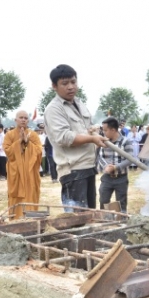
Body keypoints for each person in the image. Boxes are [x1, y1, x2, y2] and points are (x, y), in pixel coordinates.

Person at [44, 64, 106, 208]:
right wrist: (92, 139)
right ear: (54, 86)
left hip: (88, 166)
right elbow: (64, 137)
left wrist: (93, 131)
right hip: (72, 170)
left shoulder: (79, 103)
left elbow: (86, 128)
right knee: (77, 221)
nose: (71, 87)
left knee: (90, 215)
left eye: (73, 82)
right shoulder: (54, 109)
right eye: (65, 84)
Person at [4, 110, 43, 219]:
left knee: (31, 194)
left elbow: (39, 151)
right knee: (15, 195)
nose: (23, 120)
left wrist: (27, 142)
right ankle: (15, 218)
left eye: (25, 118)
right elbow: (8, 152)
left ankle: (31, 218)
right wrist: (19, 142)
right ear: (15, 120)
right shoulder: (9, 135)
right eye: (21, 117)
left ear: (28, 121)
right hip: (15, 173)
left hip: (30, 172)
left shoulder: (33, 135)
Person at [97, 117, 133, 213]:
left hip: (121, 178)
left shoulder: (126, 141)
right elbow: (100, 157)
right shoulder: (104, 142)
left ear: (113, 130)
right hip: (107, 177)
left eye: (105, 130)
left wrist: (116, 167)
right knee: (103, 200)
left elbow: (130, 159)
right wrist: (106, 167)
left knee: (121, 203)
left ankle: (122, 222)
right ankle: (104, 220)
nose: (104, 133)